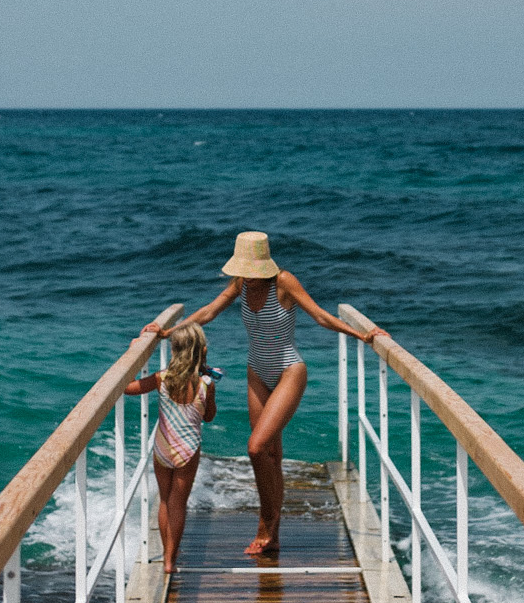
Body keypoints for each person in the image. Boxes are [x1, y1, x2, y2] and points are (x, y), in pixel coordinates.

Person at [145, 233, 386, 558]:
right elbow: (208, 313)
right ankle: (273, 533)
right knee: (268, 454)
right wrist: (167, 333)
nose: (249, 277)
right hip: (256, 371)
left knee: (256, 447)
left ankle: (267, 523)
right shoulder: (240, 284)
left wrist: (363, 335)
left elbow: (320, 315)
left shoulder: (284, 281)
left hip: (289, 370)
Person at [125, 322, 216, 576]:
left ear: (174, 351)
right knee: (179, 503)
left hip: (163, 448)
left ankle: (166, 553)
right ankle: (170, 561)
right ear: (202, 351)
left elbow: (127, 387)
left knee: (164, 501)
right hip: (189, 450)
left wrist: (133, 353)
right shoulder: (205, 384)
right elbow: (209, 417)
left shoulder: (161, 378)